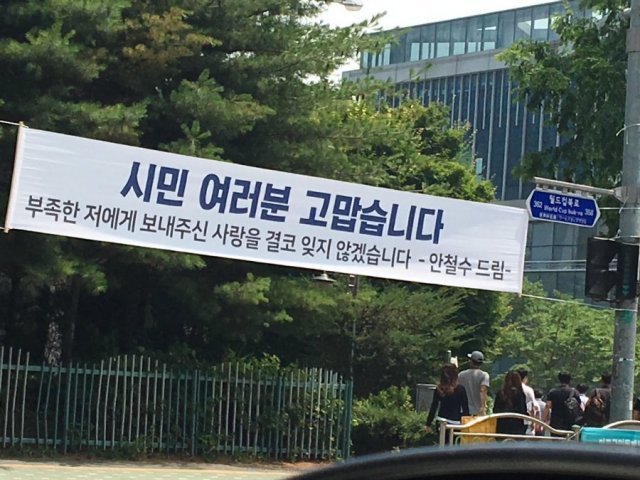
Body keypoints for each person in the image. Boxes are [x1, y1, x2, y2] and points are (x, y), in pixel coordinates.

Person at [425, 364, 470, 434]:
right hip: (455, 422)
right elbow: (465, 409)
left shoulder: (439, 389)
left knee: (442, 440)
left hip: (441, 421)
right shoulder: (460, 389)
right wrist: (466, 424)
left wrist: (428, 423)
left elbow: (434, 406)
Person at [493, 371, 528, 435]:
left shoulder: (500, 393)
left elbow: (495, 410)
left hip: (502, 426)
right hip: (517, 426)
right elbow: (522, 410)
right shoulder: (519, 394)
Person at [458, 350, 490, 416]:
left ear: (471, 361)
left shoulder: (461, 375)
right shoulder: (484, 375)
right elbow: (483, 390)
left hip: (463, 410)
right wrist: (482, 408)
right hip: (477, 411)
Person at [517, 369, 538, 434]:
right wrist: (533, 422)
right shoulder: (528, 390)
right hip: (525, 419)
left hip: (511, 418)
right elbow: (533, 406)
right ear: (525, 378)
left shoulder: (509, 389)